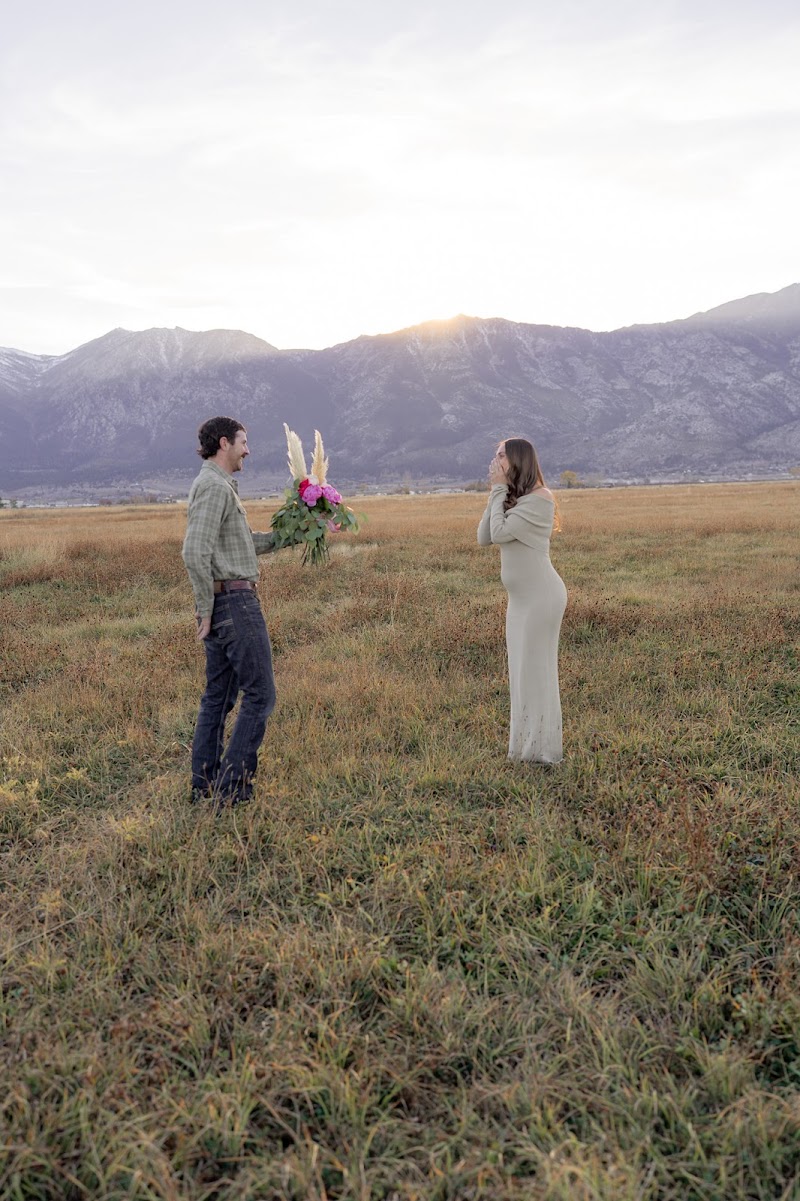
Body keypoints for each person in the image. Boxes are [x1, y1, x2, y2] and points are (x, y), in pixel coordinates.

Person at [182, 416, 283, 807]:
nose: (248, 450)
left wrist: (296, 531)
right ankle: (231, 789)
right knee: (260, 695)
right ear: (224, 443)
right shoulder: (212, 486)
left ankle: (204, 785)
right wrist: (205, 609)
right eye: (243, 442)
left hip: (225, 603)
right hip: (234, 605)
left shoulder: (219, 486)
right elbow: (194, 551)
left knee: (218, 696)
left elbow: (245, 544)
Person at [477, 437, 567, 764]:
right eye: (495, 455)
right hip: (520, 602)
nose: (495, 461)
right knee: (521, 673)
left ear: (518, 459)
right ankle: (523, 748)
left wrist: (498, 489)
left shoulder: (540, 498)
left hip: (541, 598)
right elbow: (484, 537)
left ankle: (543, 750)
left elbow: (500, 534)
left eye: (501, 455)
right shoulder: (514, 499)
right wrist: (497, 493)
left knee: (537, 672)